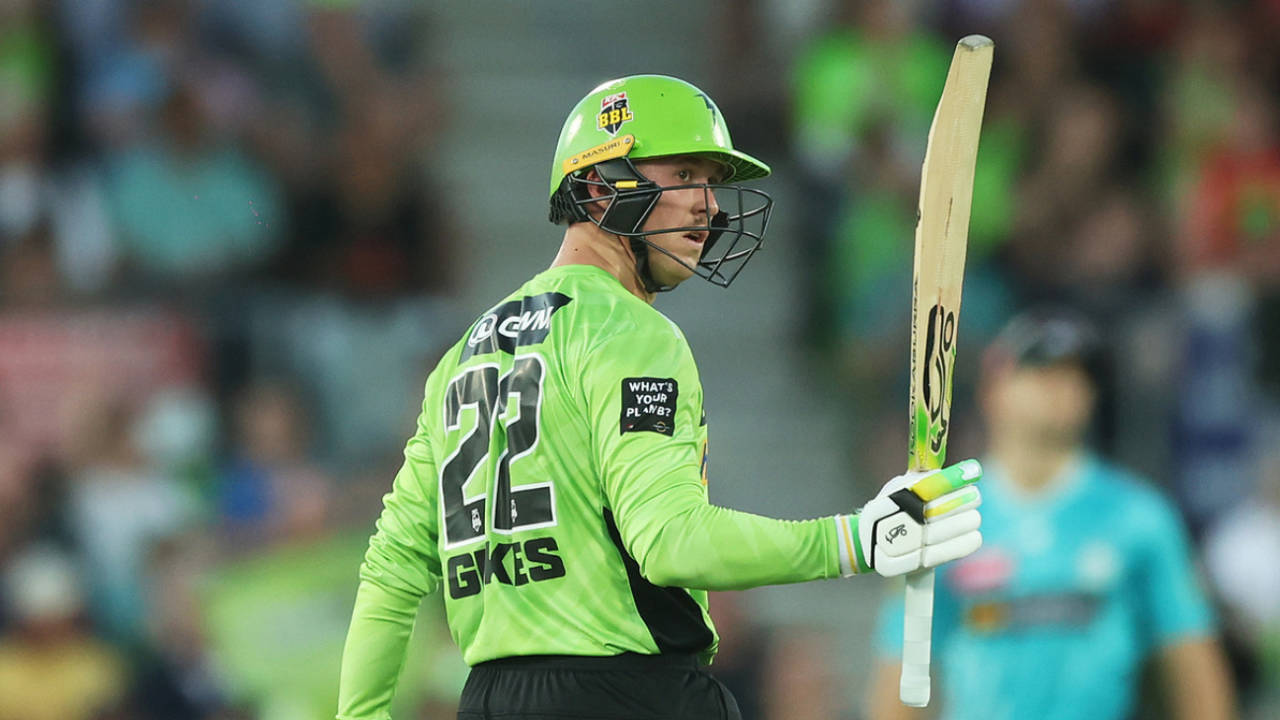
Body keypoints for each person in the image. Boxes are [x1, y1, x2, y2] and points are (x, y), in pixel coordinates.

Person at [336, 74, 985, 720]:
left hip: (486, 700)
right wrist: (855, 542)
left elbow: (391, 572)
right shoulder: (630, 331)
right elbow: (671, 542)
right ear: (598, 186)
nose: (710, 205)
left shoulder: (462, 355)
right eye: (685, 174)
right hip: (629, 695)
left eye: (712, 181)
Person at [868, 309, 1236, 720]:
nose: (1063, 387)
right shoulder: (941, 521)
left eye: (1078, 375)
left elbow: (1194, 665)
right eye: (1040, 369)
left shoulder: (1139, 517)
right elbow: (901, 669)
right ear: (994, 389)